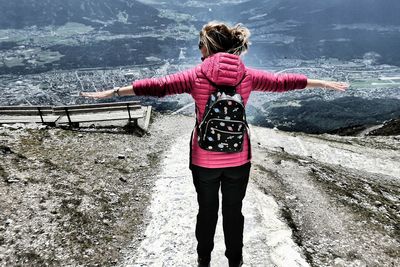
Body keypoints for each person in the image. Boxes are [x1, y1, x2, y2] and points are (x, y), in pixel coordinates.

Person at [81, 21, 348, 267]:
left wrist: (114, 91)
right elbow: (283, 82)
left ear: (208, 46)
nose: (199, 49)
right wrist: (320, 82)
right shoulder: (248, 76)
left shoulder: (196, 75)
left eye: (200, 44)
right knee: (234, 213)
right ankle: (235, 262)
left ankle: (204, 261)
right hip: (239, 159)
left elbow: (158, 86)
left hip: (204, 160)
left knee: (207, 212)